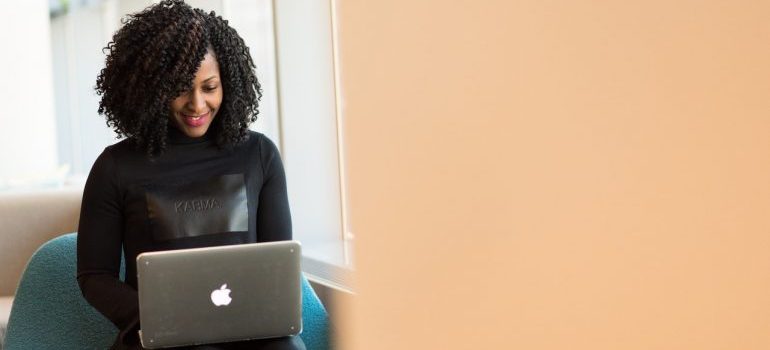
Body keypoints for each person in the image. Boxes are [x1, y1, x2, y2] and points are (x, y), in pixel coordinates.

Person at [76, 1, 305, 349]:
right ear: (152, 89)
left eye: (209, 87)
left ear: (228, 82)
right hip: (161, 336)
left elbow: (278, 265)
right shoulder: (115, 167)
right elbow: (95, 277)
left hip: (251, 335)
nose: (197, 105)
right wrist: (164, 317)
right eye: (180, 88)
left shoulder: (260, 155)